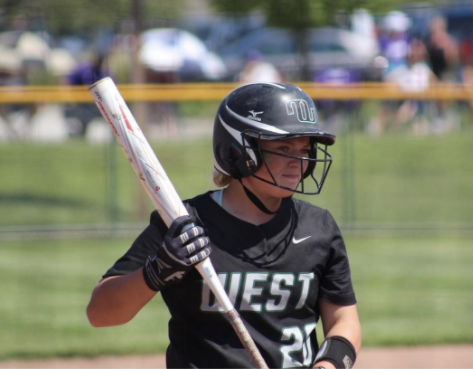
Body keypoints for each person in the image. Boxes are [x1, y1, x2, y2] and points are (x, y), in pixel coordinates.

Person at [86, 83, 361, 369]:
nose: (299, 161)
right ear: (238, 151)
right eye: (284, 147)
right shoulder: (183, 225)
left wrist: (329, 365)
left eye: (304, 149)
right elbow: (100, 313)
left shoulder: (318, 227)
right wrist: (157, 271)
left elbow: (344, 320)